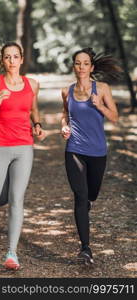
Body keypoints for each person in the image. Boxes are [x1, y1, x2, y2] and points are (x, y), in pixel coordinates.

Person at [0, 40, 45, 270]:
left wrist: (38, 125)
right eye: (7, 57)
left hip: (24, 146)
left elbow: (33, 109)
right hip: (0, 146)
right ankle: (4, 197)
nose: (12, 61)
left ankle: (11, 253)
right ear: (2, 61)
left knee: (17, 199)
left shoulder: (32, 84)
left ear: (22, 59)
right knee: (0, 197)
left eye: (16, 56)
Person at [61, 47, 122, 264]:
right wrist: (64, 127)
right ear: (73, 67)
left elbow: (114, 117)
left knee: (91, 194)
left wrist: (99, 106)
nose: (81, 67)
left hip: (98, 151)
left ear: (91, 67)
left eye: (85, 63)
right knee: (79, 196)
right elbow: (65, 115)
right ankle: (85, 248)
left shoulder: (102, 89)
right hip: (74, 150)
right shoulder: (67, 91)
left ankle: (88, 203)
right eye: (78, 63)